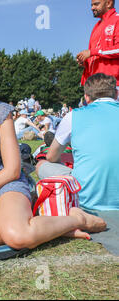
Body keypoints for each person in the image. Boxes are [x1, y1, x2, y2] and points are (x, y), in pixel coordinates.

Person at [0, 47, 106, 250]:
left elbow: (12, 170)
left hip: (6, 187)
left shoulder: (0, 111)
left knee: (18, 238)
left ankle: (77, 219)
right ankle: (39, 227)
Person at [36, 73, 119, 211]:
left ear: (86, 97)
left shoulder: (73, 116)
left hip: (85, 197)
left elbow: (51, 157)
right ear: (116, 94)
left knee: (42, 164)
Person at [77, 0, 119, 86]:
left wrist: (92, 52)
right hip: (94, 85)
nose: (92, 8)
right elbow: (96, 54)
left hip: (112, 85)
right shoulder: (97, 26)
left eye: (96, 4)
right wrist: (86, 61)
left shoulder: (117, 20)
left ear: (108, 3)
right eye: (92, 5)